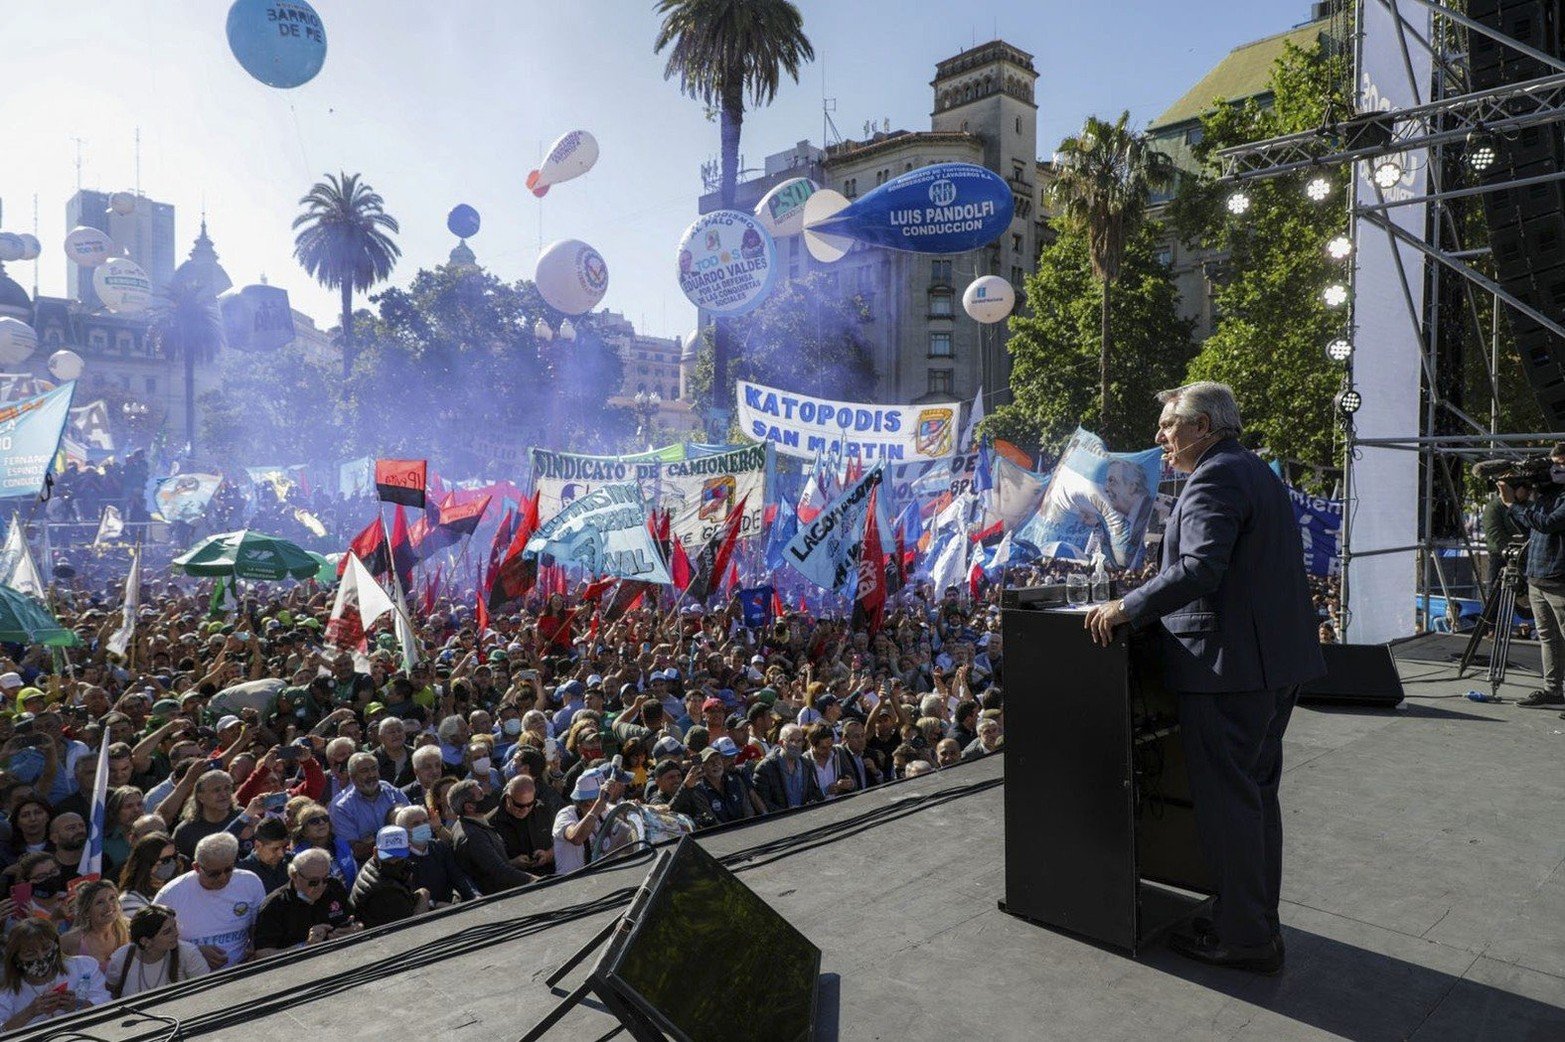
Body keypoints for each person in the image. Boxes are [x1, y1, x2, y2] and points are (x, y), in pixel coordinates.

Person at [1086, 381, 1324, 976]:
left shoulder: (1215, 476)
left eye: (1168, 426)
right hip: (1268, 666)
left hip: (1227, 669)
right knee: (1254, 799)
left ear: (1202, 427)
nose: (1159, 438)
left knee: (1228, 806)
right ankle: (1251, 918)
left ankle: (1245, 937)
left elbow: (1200, 566)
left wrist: (1126, 607)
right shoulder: (1252, 470)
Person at [1499, 442, 1565, 711]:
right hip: (1538, 575)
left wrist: (1513, 504)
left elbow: (1549, 524)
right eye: (1554, 463)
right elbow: (1530, 526)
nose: (1556, 468)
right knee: (1548, 636)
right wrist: (1521, 502)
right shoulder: (1547, 494)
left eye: (1561, 463)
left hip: (1560, 578)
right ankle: (1553, 690)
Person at [152, 831, 267, 970]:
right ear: (196, 867)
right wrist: (194, 953)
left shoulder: (250, 882)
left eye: (228, 869)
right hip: (190, 979)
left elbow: (259, 929)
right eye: (214, 874)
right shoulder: (169, 895)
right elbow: (153, 944)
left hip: (241, 972)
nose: (223, 877)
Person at [0, 918, 110, 1030]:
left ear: (56, 945)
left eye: (46, 948)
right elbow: (2, 1030)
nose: (41, 957)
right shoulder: (7, 994)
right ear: (16, 959)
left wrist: (78, 1005)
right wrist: (31, 1011)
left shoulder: (84, 966)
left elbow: (106, 1002)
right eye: (30, 953)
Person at [252, 847, 359, 957]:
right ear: (294, 876)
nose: (321, 886)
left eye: (325, 879)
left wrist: (353, 929)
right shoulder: (275, 905)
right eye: (314, 882)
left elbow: (355, 920)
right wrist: (305, 946)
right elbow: (262, 954)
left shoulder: (334, 887)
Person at [448, 779, 534, 895]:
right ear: (469, 807)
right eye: (481, 795)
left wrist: (511, 863)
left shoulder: (474, 824)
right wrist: (535, 880)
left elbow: (485, 864)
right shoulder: (473, 836)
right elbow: (499, 872)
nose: (488, 796)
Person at [105, 904, 211, 998]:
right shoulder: (121, 958)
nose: (176, 933)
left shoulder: (188, 954)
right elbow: (110, 993)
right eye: (167, 932)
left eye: (175, 926)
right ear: (145, 941)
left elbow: (207, 992)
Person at [328, 753, 410, 865]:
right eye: (364, 771)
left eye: (374, 769)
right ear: (352, 777)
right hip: (369, 865)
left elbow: (412, 823)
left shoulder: (391, 791)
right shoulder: (341, 807)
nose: (371, 774)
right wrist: (395, 834)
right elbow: (355, 850)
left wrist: (372, 839)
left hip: (405, 858)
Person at [392, 805, 478, 906]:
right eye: (416, 823)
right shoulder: (399, 859)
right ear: (403, 831)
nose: (422, 825)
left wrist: (475, 895)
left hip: (452, 906)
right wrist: (435, 905)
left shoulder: (439, 847)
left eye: (425, 821)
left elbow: (458, 876)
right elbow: (408, 897)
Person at [348, 826, 430, 928]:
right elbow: (410, 930)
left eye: (398, 855)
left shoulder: (373, 864)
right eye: (388, 856)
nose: (393, 861)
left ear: (408, 849)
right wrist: (423, 896)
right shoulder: (385, 890)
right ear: (375, 852)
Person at [487, 774, 555, 876]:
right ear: (508, 798)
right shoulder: (491, 823)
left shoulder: (543, 810)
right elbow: (487, 864)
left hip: (551, 875)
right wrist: (511, 864)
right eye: (519, 805)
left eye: (529, 804)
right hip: (517, 883)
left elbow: (561, 841)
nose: (525, 810)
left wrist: (548, 855)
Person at [60, 880, 130, 973]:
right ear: (87, 912)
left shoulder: (128, 929)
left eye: (112, 898)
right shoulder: (72, 939)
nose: (109, 906)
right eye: (100, 902)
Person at [753, 725, 824, 813]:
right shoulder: (766, 768)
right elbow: (764, 803)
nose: (796, 745)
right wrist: (787, 814)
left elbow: (814, 793)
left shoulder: (806, 764)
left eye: (799, 741)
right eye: (791, 741)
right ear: (781, 743)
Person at [118, 832, 182, 916]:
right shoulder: (130, 901)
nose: (172, 863)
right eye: (166, 860)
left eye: (174, 856)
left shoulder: (177, 890)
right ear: (147, 863)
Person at [236, 816, 292, 895]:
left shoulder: (294, 862)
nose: (281, 854)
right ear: (258, 845)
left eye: (285, 847)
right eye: (275, 849)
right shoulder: (242, 873)